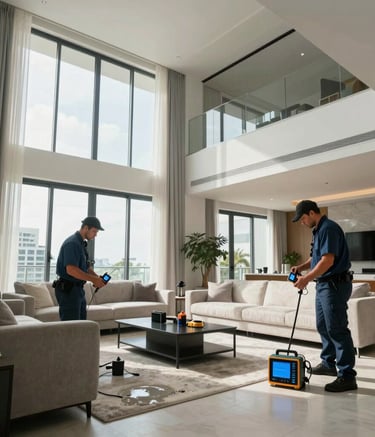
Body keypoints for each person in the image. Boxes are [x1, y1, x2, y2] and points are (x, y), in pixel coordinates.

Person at [291, 200, 357, 392]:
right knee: (323, 325)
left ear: (312, 213)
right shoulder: (319, 230)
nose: (302, 222)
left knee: (337, 328)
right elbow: (317, 258)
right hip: (323, 286)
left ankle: (347, 376)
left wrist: (306, 279)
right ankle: (328, 364)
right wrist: (302, 267)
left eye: (303, 218)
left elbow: (328, 261)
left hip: (335, 285)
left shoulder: (329, 228)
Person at [54, 216, 107, 321]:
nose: (96, 235)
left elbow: (86, 267)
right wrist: (93, 279)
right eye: (94, 231)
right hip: (69, 291)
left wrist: (97, 278)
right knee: (72, 327)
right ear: (86, 228)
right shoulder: (72, 243)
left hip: (77, 290)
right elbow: (71, 270)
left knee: (81, 325)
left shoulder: (81, 244)